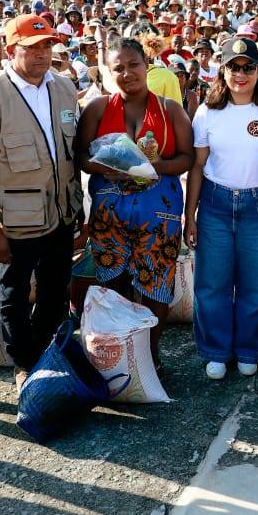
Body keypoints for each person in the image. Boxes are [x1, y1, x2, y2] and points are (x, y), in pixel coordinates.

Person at [0, 14, 83, 389]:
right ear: (12, 50)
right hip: (16, 220)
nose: (42, 54)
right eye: (32, 48)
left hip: (62, 213)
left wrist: (79, 209)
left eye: (47, 45)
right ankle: (23, 364)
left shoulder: (64, 88)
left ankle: (49, 353)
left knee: (55, 288)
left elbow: (72, 154)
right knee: (14, 295)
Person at [72, 38, 193, 374]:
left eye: (133, 64)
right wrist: (107, 168)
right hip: (109, 215)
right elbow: (81, 156)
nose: (127, 73)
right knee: (113, 282)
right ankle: (119, 352)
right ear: (110, 74)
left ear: (147, 64)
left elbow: (187, 157)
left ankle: (150, 355)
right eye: (118, 68)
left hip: (159, 214)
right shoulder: (98, 108)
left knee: (156, 283)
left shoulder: (170, 110)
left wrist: (152, 168)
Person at [185, 38, 258, 379]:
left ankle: (247, 349)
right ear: (222, 71)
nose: (240, 74)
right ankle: (215, 350)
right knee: (212, 282)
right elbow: (197, 167)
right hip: (215, 202)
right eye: (233, 67)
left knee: (254, 284)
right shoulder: (207, 112)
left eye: (248, 67)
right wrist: (191, 216)